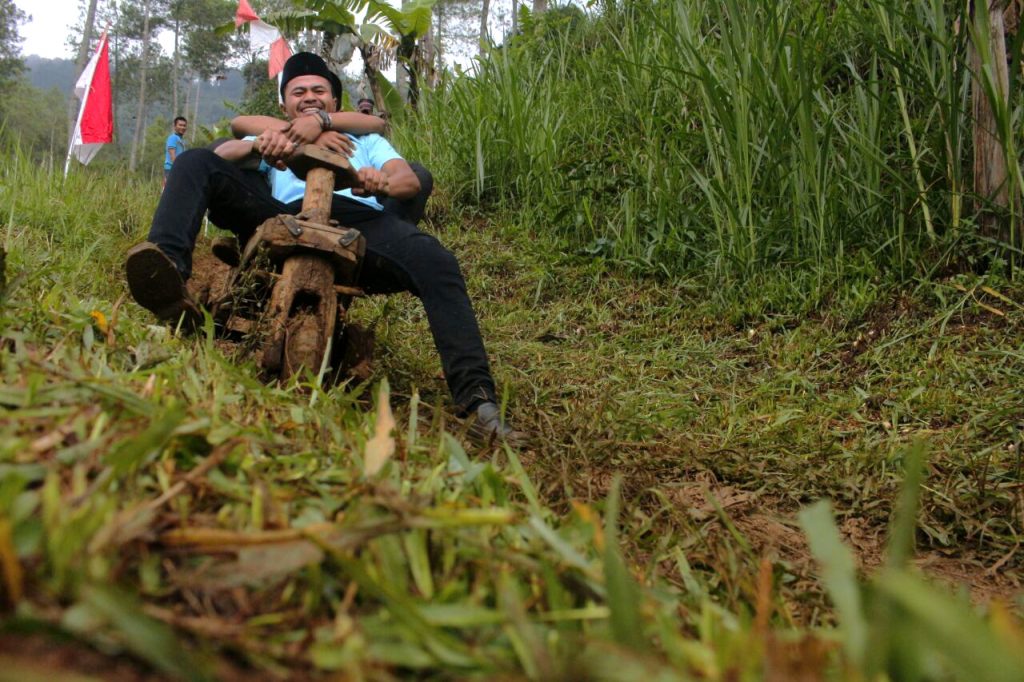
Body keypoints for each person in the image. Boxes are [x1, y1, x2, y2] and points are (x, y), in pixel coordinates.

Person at [125, 52, 517, 443]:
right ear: (284, 104)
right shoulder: (277, 134)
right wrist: (261, 145)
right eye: (299, 92)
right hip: (281, 215)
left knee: (439, 263)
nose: (309, 96)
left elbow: (407, 181)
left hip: (359, 220)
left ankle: (478, 402)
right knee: (194, 160)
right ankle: (168, 273)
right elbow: (219, 154)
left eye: (318, 90)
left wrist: (379, 182)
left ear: (334, 103)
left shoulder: (365, 138)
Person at [164, 117, 187, 181]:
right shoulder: (173, 138)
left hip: (177, 169)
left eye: (184, 126)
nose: (182, 127)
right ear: (175, 126)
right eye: (180, 125)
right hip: (172, 169)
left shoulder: (181, 140)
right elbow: (172, 156)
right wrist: (178, 169)